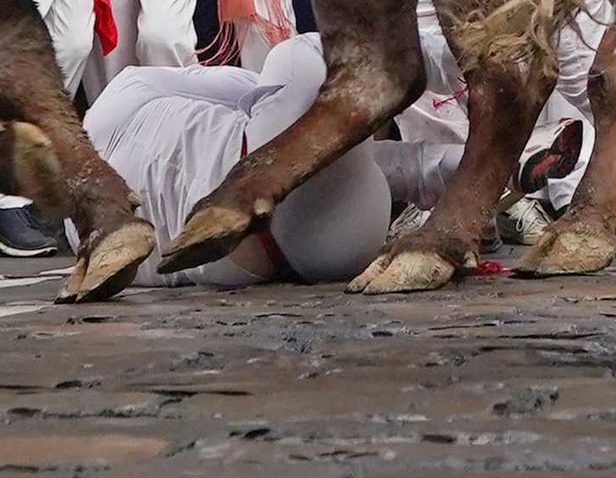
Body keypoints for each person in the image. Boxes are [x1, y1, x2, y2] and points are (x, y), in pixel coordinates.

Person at [82, 37, 394, 290]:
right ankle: (441, 54)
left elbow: (167, 273)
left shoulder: (84, 235)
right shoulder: (124, 89)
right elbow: (248, 89)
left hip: (263, 260)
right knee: (300, 59)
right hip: (261, 168)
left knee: (365, 160)